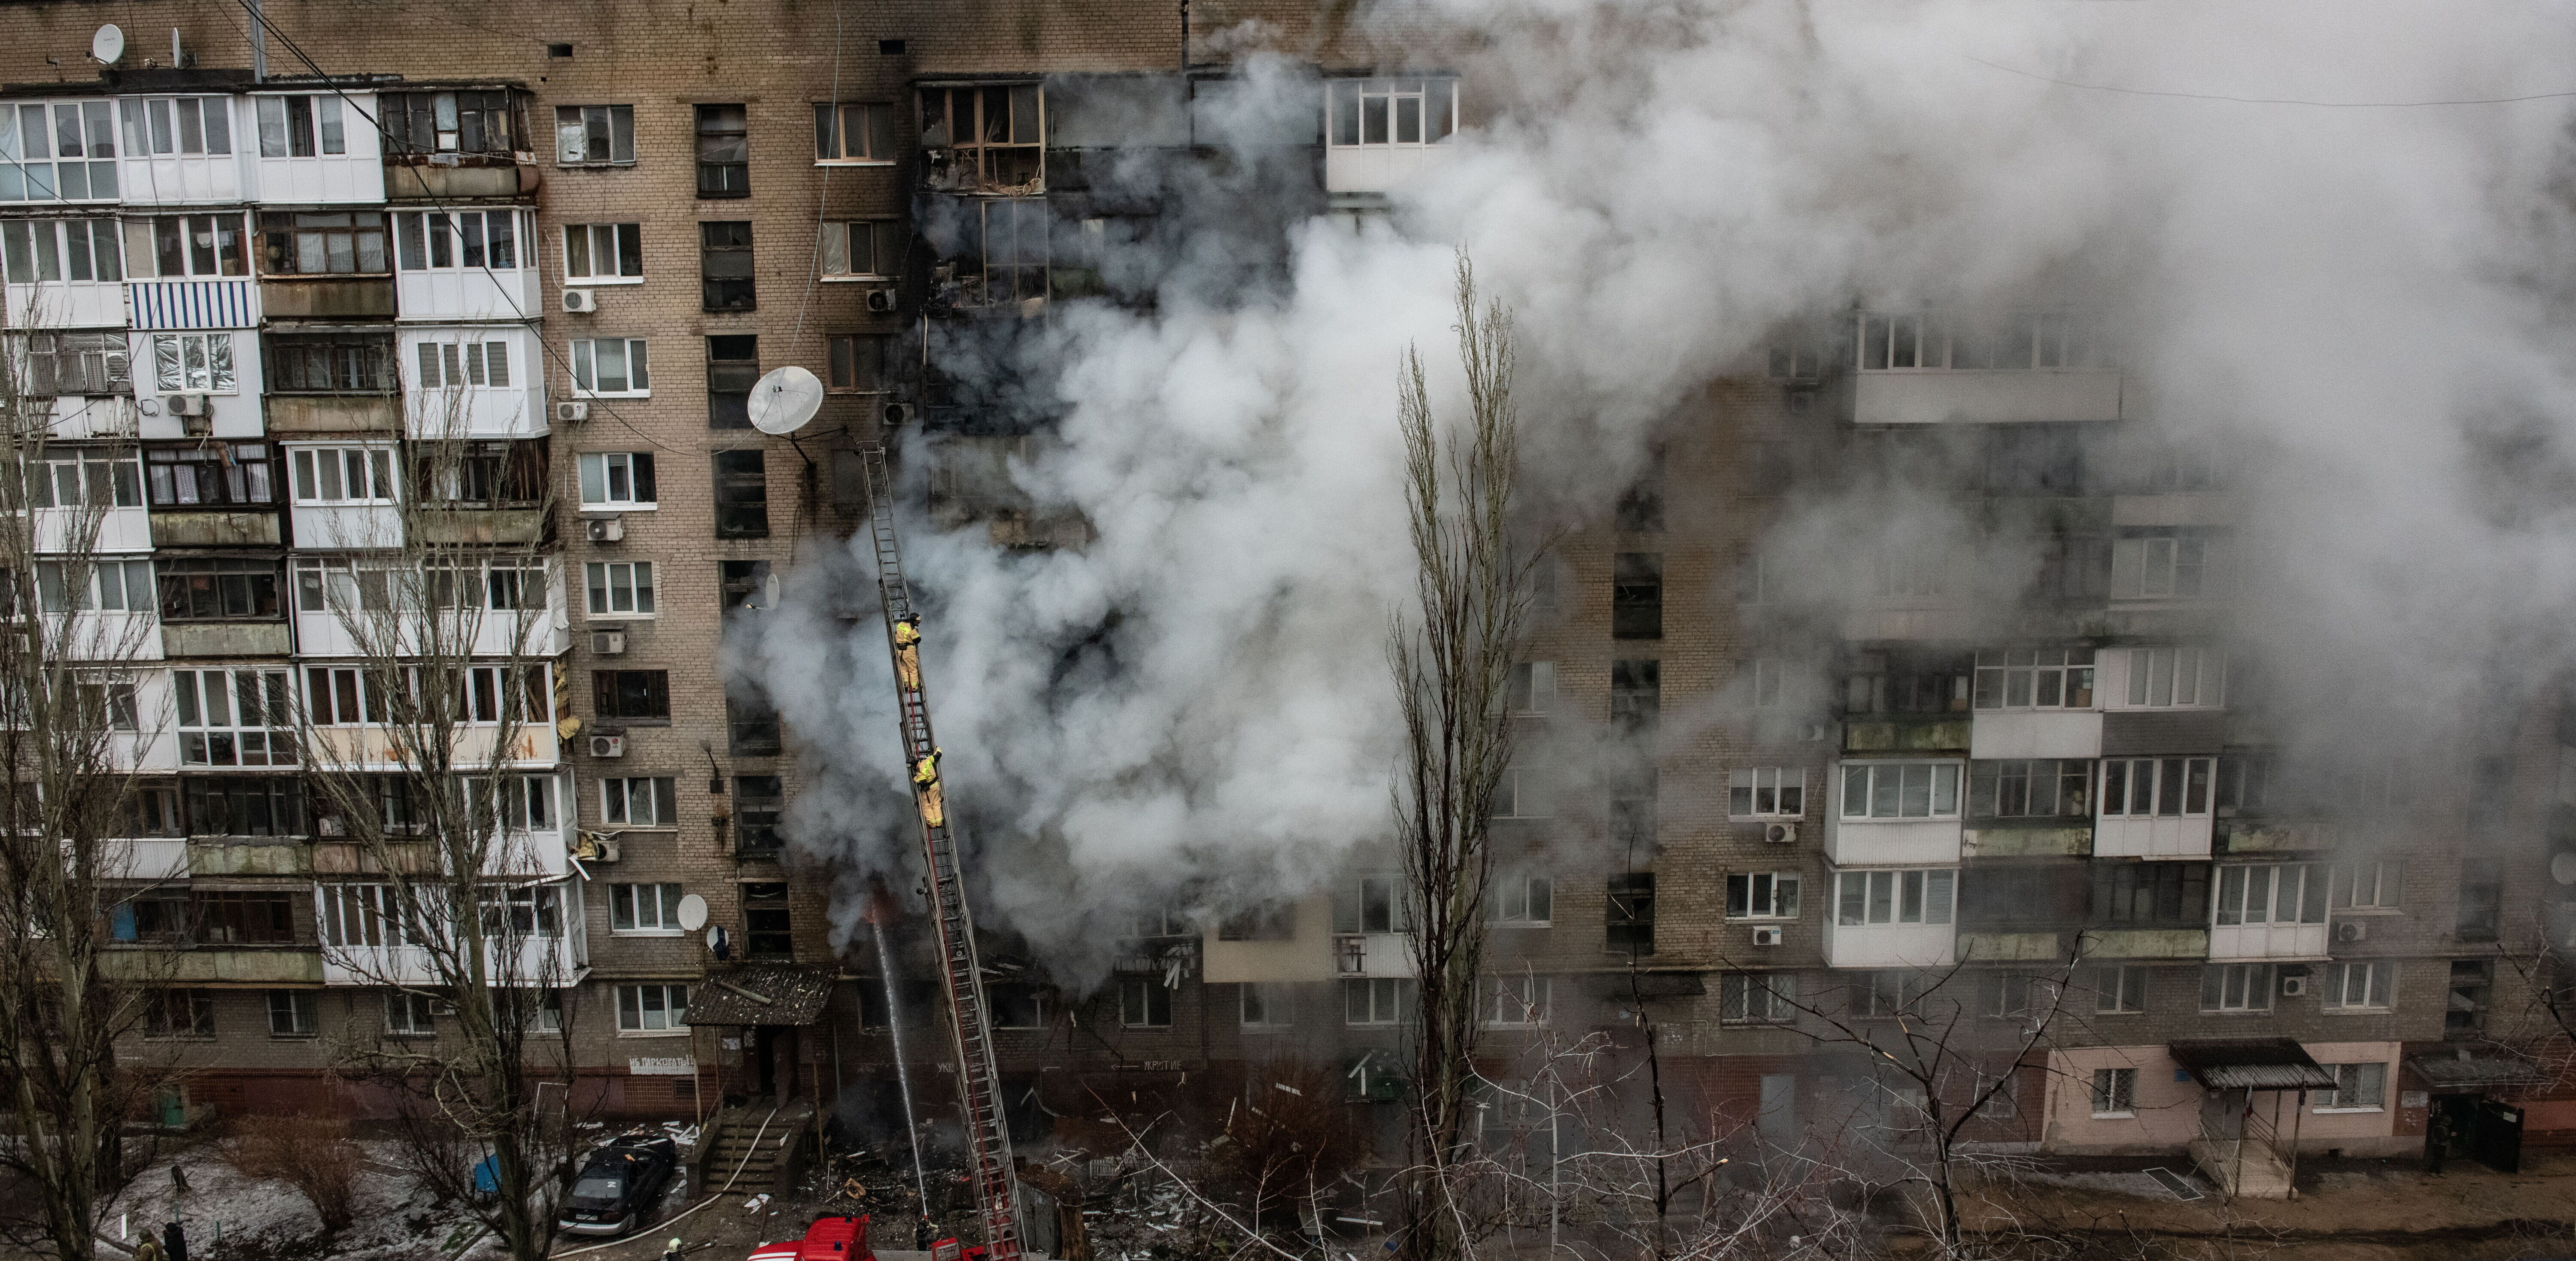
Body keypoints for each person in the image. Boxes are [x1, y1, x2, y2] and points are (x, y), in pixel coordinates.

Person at [913, 747, 945, 829]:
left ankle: (933, 824)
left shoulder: (919, 771)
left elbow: (922, 782)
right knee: (936, 803)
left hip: (929, 790)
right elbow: (938, 755)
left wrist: (915, 778)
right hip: (937, 786)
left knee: (927, 807)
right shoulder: (927, 760)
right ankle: (939, 822)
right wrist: (938, 749)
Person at [893, 613, 923, 692]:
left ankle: (905, 685)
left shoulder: (900, 625)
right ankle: (914, 687)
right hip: (909, 651)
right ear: (913, 621)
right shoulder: (912, 629)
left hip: (900, 650)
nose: (918, 624)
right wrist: (916, 632)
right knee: (913, 669)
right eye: (917, 622)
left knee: (904, 668)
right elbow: (917, 640)